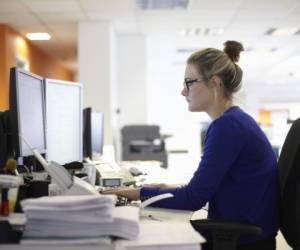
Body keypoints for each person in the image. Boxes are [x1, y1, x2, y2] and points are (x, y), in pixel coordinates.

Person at [102, 41, 279, 250]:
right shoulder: (235, 121)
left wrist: (136, 193)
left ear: (215, 83)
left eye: (189, 82)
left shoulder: (227, 127)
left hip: (240, 241)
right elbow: (203, 189)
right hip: (245, 233)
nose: (183, 92)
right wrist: (166, 189)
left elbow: (192, 199)